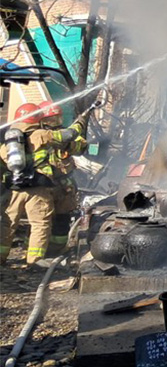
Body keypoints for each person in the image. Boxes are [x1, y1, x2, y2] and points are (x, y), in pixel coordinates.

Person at [1, 99, 96, 267]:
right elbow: (69, 136)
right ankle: (34, 262)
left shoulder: (9, 143)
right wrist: (82, 119)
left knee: (8, 223)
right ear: (39, 119)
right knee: (40, 224)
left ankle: (1, 257)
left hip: (15, 189)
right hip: (38, 188)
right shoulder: (41, 135)